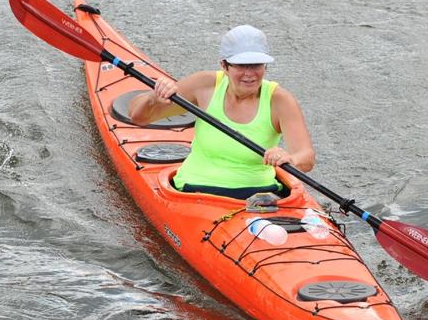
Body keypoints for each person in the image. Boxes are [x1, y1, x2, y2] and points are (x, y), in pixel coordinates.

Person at [128, 24, 315, 200]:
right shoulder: (204, 85)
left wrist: (290, 158)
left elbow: (307, 158)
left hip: (259, 195)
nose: (249, 73)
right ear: (224, 66)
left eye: (257, 64)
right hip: (194, 190)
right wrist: (154, 97)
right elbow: (138, 117)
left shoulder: (280, 100)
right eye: (241, 65)